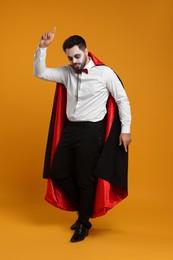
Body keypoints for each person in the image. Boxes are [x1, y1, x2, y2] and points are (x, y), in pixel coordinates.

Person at [34, 27, 132, 243]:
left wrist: (125, 130)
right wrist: (42, 48)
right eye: (70, 58)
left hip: (92, 132)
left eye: (77, 56)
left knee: (86, 178)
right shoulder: (67, 72)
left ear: (87, 51)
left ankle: (83, 222)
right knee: (58, 171)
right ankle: (84, 211)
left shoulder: (104, 73)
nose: (74, 62)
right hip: (71, 130)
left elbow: (122, 100)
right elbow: (40, 73)